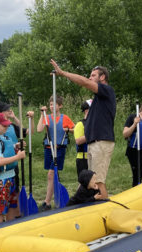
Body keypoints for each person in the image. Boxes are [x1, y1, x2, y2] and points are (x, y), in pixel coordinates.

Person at [50, 60, 116, 199]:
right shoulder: (99, 99)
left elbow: (84, 82)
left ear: (102, 77)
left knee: (98, 181)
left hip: (101, 142)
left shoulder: (107, 91)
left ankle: (105, 207)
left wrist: (63, 73)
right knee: (93, 181)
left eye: (93, 75)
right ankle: (94, 205)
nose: (90, 78)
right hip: (95, 143)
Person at [0, 113, 26, 223]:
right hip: (0, 180)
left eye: (7, 125)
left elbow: (5, 149)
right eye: (4, 125)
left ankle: (9, 229)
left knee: (12, 206)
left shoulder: (5, 137)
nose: (7, 127)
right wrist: (17, 157)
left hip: (11, 176)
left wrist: (15, 146)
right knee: (1, 210)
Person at [36, 95, 75, 211]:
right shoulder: (47, 117)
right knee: (52, 175)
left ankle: (47, 203)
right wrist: (42, 115)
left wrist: (68, 130)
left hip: (59, 148)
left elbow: (75, 129)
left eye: (54, 104)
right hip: (49, 148)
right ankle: (53, 198)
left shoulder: (65, 118)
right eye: (51, 104)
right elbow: (39, 129)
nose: (52, 106)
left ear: (60, 106)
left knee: (51, 174)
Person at [73, 100, 91, 176]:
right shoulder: (80, 124)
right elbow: (78, 141)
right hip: (83, 158)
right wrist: (92, 134)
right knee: (83, 183)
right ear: (87, 111)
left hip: (94, 157)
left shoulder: (95, 124)